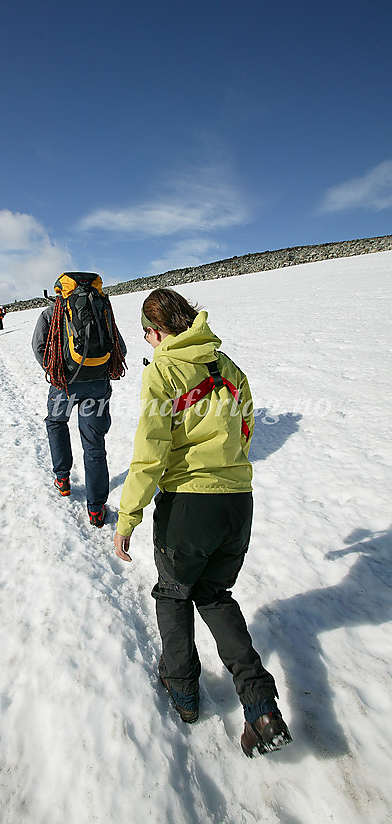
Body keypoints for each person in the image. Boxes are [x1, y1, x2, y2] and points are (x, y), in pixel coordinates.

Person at [113, 288, 292, 758]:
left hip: (189, 507)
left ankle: (183, 690)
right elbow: (247, 424)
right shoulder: (226, 365)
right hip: (237, 501)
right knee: (213, 595)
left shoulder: (163, 373)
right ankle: (260, 708)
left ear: (154, 332)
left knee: (174, 593)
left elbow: (149, 455)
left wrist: (128, 515)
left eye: (147, 335)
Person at [32, 272, 126, 528]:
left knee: (56, 423)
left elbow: (38, 346)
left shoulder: (52, 311)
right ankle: (96, 509)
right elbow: (121, 347)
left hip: (64, 385)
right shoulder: (102, 308)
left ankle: (62, 480)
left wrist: (57, 373)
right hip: (97, 385)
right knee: (94, 444)